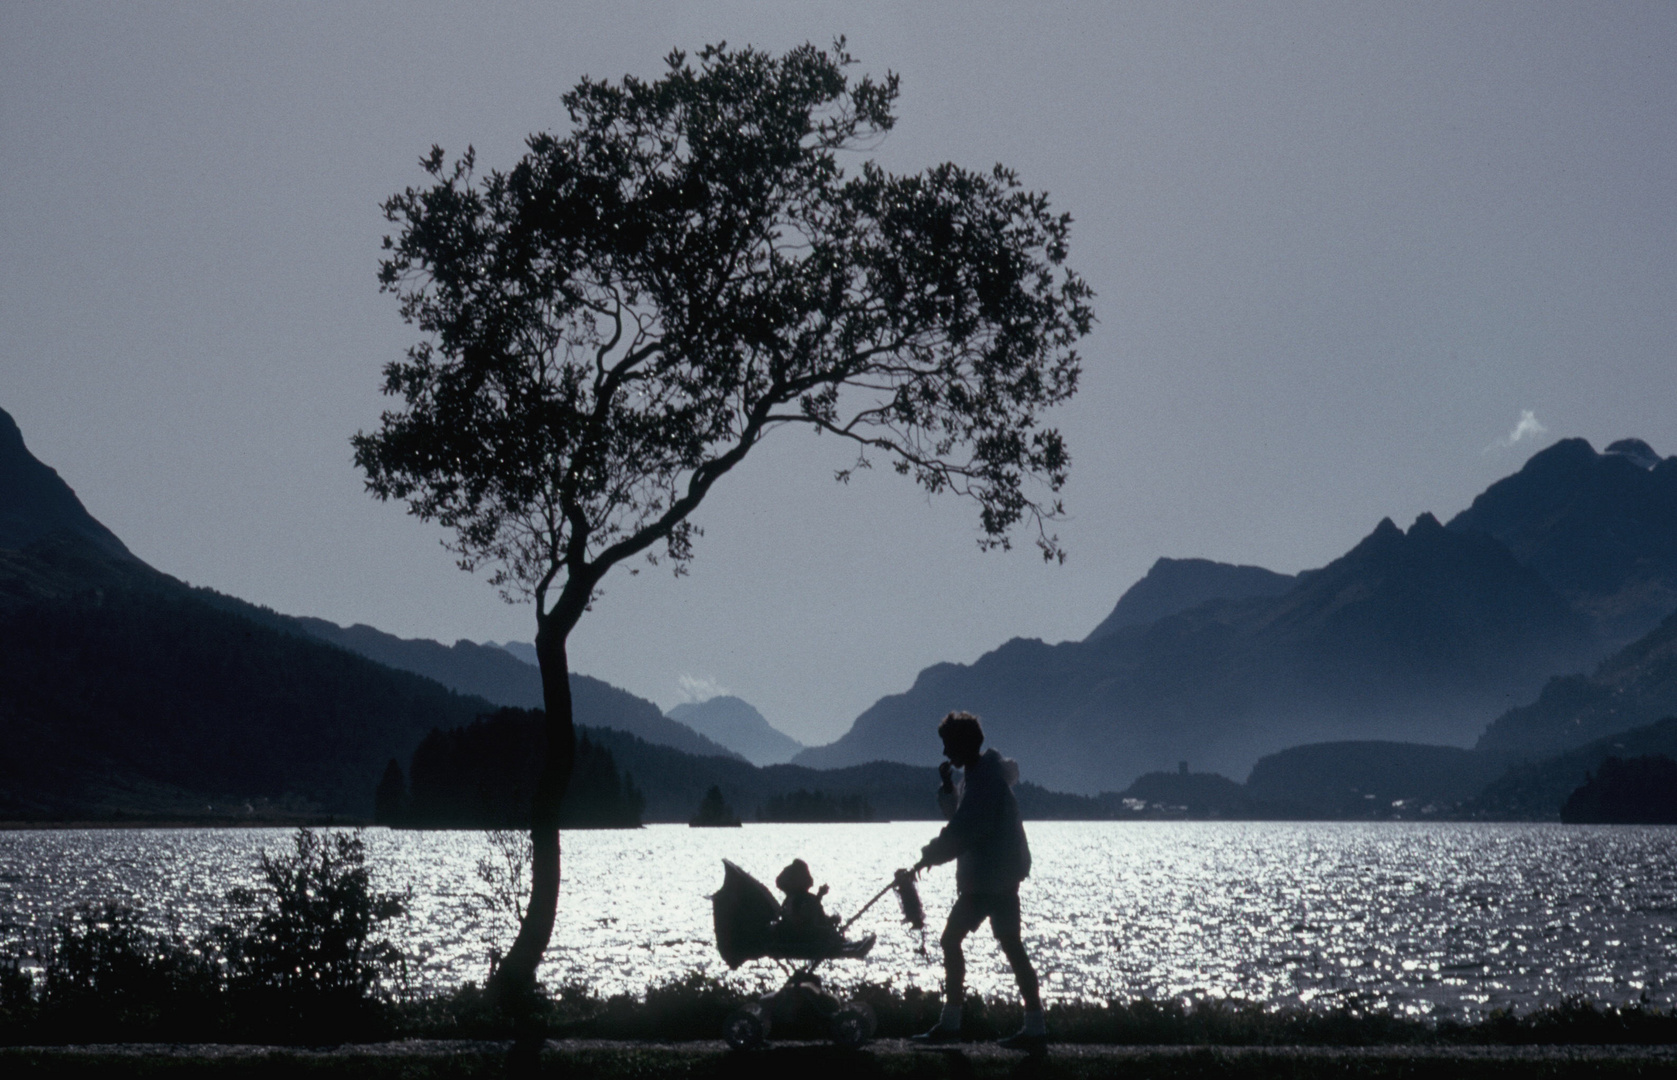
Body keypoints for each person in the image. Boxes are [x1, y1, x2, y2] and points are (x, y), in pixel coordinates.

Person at [910, 711, 1045, 1051]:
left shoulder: (984, 780)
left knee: (952, 939)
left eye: (948, 745)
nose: (944, 753)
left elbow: (967, 829)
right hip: (997, 877)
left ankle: (952, 1023)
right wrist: (947, 788)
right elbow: (965, 821)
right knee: (1011, 946)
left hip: (989, 880)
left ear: (963, 744)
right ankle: (1034, 1026)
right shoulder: (980, 775)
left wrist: (932, 853)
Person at [770, 858, 843, 952]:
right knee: (827, 932)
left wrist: (829, 920)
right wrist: (820, 895)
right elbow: (806, 918)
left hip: (799, 932)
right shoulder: (798, 899)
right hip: (800, 936)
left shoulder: (797, 898)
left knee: (829, 927)